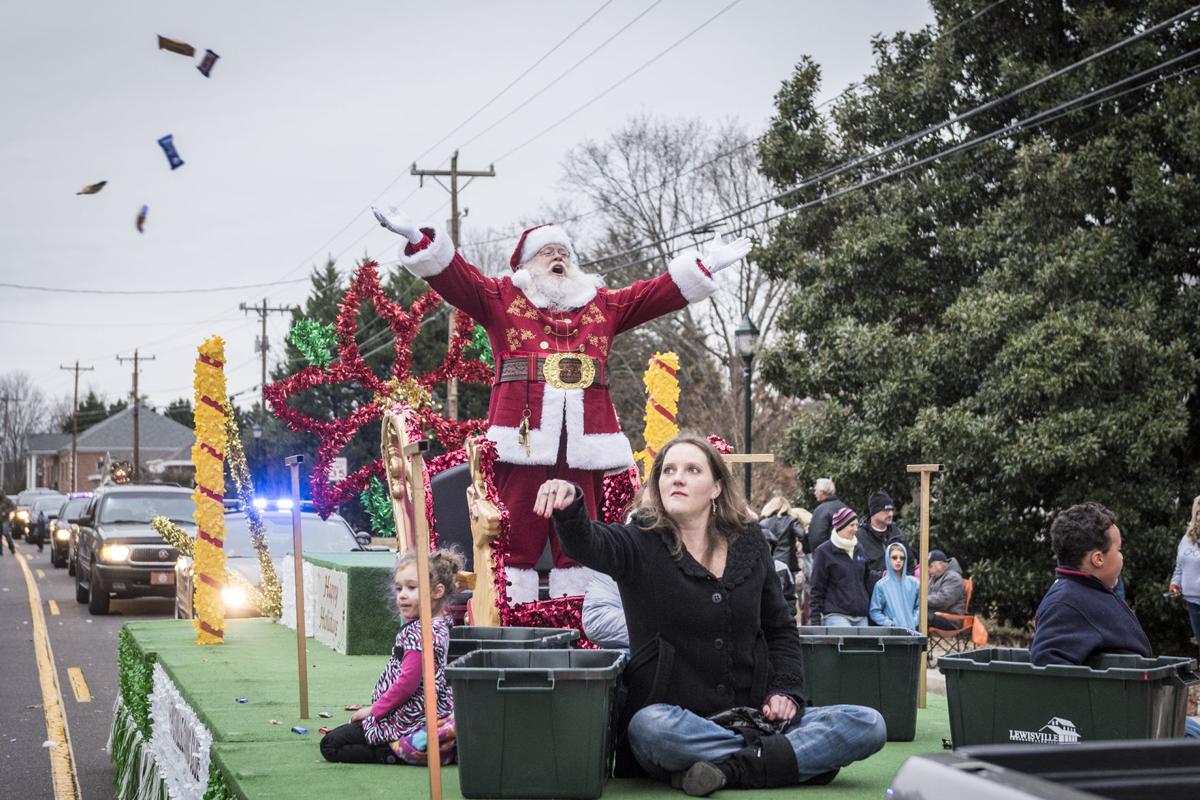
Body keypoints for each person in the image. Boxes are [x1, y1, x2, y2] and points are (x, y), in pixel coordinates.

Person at [374, 207, 751, 604]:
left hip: (585, 444)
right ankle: (509, 607)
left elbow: (651, 294)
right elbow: (458, 279)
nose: (558, 258)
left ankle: (580, 611)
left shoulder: (601, 306)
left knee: (581, 535)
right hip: (521, 441)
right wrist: (421, 240)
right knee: (513, 535)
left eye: (564, 253)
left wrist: (703, 266)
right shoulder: (502, 300)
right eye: (547, 252)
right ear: (524, 266)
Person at [538, 434, 885, 795]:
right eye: (668, 470)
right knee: (649, 728)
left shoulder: (750, 543)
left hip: (757, 717)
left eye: (692, 469)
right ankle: (787, 761)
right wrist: (570, 504)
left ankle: (729, 770)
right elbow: (587, 542)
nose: (677, 477)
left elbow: (780, 629)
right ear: (657, 484)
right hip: (678, 723)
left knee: (868, 723)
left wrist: (785, 691)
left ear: (716, 487)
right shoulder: (638, 541)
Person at [320, 549, 462, 766]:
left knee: (330, 745)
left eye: (412, 588)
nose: (402, 595)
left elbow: (407, 684)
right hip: (421, 710)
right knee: (346, 730)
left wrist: (374, 711)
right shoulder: (439, 623)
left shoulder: (420, 632)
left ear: (437, 591)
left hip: (406, 716)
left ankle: (390, 753)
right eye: (399, 588)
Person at [1030, 502, 1150, 666]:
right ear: (1098, 558)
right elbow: (1049, 667)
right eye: (1119, 550)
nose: (1122, 557)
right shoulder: (1064, 603)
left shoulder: (1088, 590)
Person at [809, 507, 872, 627]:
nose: (855, 529)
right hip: (836, 615)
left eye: (856, 525)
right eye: (851, 525)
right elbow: (816, 588)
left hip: (861, 615)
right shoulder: (823, 551)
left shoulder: (860, 549)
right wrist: (815, 621)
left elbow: (866, 579)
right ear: (840, 526)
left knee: (863, 647)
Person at [857, 491, 910, 595]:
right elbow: (858, 569)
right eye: (886, 510)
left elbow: (910, 563)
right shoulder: (860, 537)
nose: (890, 514)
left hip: (897, 595)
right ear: (874, 512)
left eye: (891, 510)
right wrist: (881, 577)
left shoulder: (898, 534)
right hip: (870, 596)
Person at [1169, 495, 1200, 652]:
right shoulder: (1186, 539)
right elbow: (1179, 568)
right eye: (1198, 513)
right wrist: (1175, 584)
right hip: (1192, 602)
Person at [870, 542, 919, 630]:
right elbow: (875, 611)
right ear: (888, 559)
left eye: (902, 558)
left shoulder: (914, 583)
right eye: (894, 557)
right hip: (891, 635)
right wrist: (890, 624)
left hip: (912, 633)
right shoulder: (881, 585)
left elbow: (920, 607)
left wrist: (913, 621)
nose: (898, 560)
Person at [926, 550, 967, 630]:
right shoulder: (935, 577)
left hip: (950, 619)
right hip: (936, 614)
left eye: (930, 566)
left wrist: (922, 600)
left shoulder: (953, 578)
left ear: (940, 564)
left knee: (919, 617)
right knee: (913, 614)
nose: (927, 569)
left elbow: (943, 600)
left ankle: (913, 642)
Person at [805, 479, 846, 557]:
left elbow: (817, 537)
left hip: (827, 557)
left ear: (822, 491)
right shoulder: (844, 507)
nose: (814, 493)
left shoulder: (821, 510)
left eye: (816, 490)